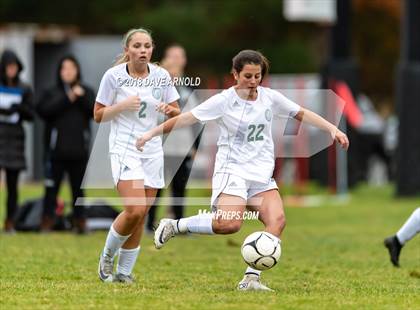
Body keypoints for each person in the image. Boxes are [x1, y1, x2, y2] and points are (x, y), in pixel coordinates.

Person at [136, 50, 349, 291]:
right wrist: (150, 134)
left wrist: (332, 129)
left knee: (277, 221)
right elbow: (186, 119)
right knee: (229, 225)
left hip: (261, 176)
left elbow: (301, 113)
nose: (253, 81)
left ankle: (250, 279)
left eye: (258, 76)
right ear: (235, 74)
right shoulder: (223, 100)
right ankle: (175, 226)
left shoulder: (270, 98)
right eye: (247, 75)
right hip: (233, 172)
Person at [94, 28, 180, 283]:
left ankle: (124, 273)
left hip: (152, 151)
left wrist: (170, 112)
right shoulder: (113, 76)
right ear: (127, 50)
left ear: (152, 49)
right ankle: (107, 258)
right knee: (135, 208)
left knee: (141, 215)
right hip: (124, 148)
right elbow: (98, 115)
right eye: (137, 46)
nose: (143, 50)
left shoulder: (162, 76)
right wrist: (120, 106)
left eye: (147, 46)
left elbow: (176, 113)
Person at [146, 44, 202, 232]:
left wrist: (195, 146)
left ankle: (179, 225)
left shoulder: (190, 88)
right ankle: (149, 224)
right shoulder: (155, 88)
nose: (173, 69)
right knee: (156, 187)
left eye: (177, 63)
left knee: (179, 188)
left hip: (182, 147)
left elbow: (197, 119)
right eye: (170, 65)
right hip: (160, 147)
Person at [37, 55, 95, 234]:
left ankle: (80, 221)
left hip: (79, 151)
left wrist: (80, 96)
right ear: (59, 71)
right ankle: (47, 220)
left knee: (79, 189)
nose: (68, 71)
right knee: (51, 188)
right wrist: (68, 98)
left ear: (77, 70)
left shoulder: (86, 91)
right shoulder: (51, 92)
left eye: (72, 68)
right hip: (56, 152)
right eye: (64, 68)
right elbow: (43, 111)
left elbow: (94, 111)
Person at [0, 49, 34, 233]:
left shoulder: (25, 87)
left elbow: (31, 114)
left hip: (15, 141)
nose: (11, 71)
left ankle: (10, 221)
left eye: (14, 67)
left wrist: (20, 108)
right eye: (8, 67)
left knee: (12, 185)